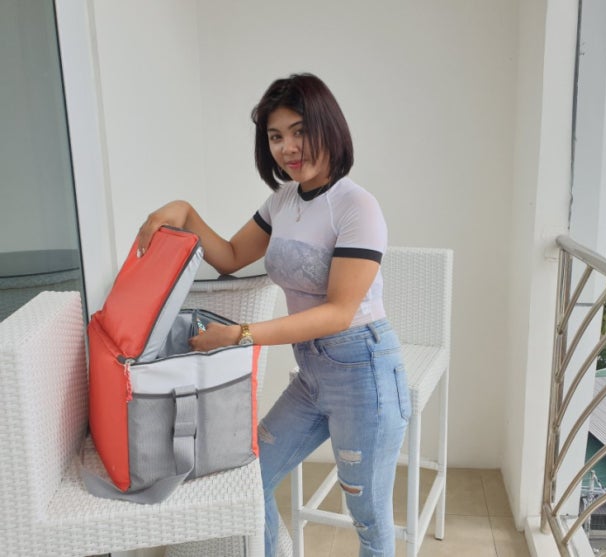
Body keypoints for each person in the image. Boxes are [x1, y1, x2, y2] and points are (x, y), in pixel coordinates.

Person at [137, 73, 411, 557]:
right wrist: (185, 211)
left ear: (328, 127)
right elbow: (229, 256)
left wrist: (239, 335)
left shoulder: (356, 206)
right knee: (252, 480)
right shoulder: (282, 201)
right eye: (276, 136)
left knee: (368, 521)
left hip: (363, 374)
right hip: (313, 375)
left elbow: (338, 312)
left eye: (299, 131)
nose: (288, 148)